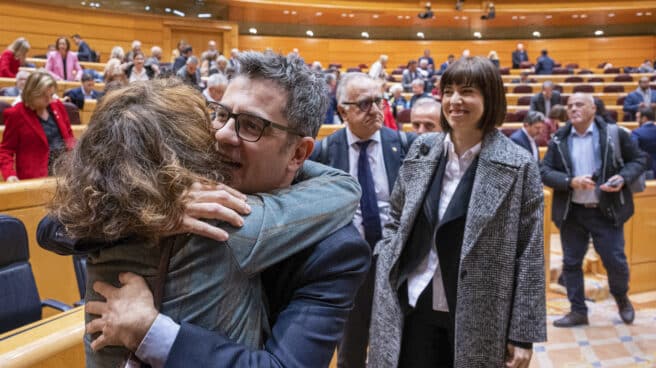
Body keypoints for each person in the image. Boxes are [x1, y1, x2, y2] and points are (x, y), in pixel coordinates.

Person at [38, 51, 371, 368]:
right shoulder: (174, 180)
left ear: (298, 153)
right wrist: (152, 210)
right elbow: (52, 226)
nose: (223, 134)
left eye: (251, 125)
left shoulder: (335, 250)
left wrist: (153, 333)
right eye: (221, 114)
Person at [369, 56, 546, 367]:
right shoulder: (423, 148)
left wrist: (521, 334)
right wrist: (386, 256)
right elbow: (396, 216)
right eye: (448, 90)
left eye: (467, 91)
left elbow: (529, 253)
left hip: (479, 313)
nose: (455, 100)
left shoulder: (519, 164)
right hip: (415, 300)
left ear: (489, 98)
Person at [310, 72, 416, 368]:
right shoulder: (324, 151)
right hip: (348, 266)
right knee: (350, 349)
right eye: (364, 104)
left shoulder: (405, 145)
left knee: (399, 346)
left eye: (378, 101)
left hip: (395, 263)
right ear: (342, 110)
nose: (375, 109)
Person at [541, 93, 648, 328]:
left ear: (593, 109)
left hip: (605, 211)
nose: (573, 109)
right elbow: (545, 171)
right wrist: (570, 181)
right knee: (571, 263)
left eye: (579, 105)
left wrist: (623, 177)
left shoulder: (615, 133)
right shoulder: (559, 138)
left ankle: (621, 297)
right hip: (573, 212)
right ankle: (578, 310)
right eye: (570, 106)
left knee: (615, 261)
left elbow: (639, 160)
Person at [0, 70, 75, 181]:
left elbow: (69, 136)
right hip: (35, 178)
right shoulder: (16, 114)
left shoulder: (57, 106)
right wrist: (10, 174)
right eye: (44, 96)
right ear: (32, 94)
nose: (49, 100)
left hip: (63, 174)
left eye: (50, 95)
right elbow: (6, 150)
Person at [631, 107, 656, 178]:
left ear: (644, 118)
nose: (636, 120)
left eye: (638, 118)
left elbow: (633, 151)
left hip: (645, 169)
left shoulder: (636, 133)